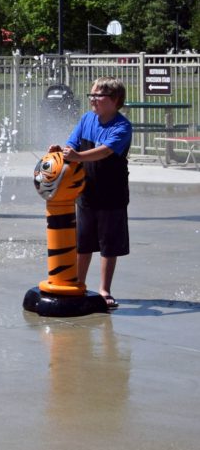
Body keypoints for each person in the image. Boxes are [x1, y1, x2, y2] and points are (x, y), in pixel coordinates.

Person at [50, 76, 132, 310]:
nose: (93, 99)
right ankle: (78, 283)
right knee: (83, 241)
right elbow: (72, 144)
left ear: (114, 100)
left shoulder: (121, 126)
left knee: (108, 244)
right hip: (85, 191)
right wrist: (61, 151)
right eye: (91, 95)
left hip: (112, 193)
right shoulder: (87, 119)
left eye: (98, 95)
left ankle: (105, 289)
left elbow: (104, 152)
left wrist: (76, 157)